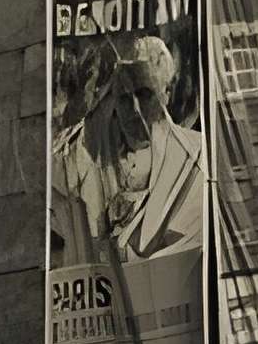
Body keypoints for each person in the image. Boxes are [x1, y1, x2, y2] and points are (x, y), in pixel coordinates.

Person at [50, 30, 204, 266]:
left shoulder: (196, 156)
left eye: (144, 94)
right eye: (123, 98)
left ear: (166, 92)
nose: (134, 110)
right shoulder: (80, 157)